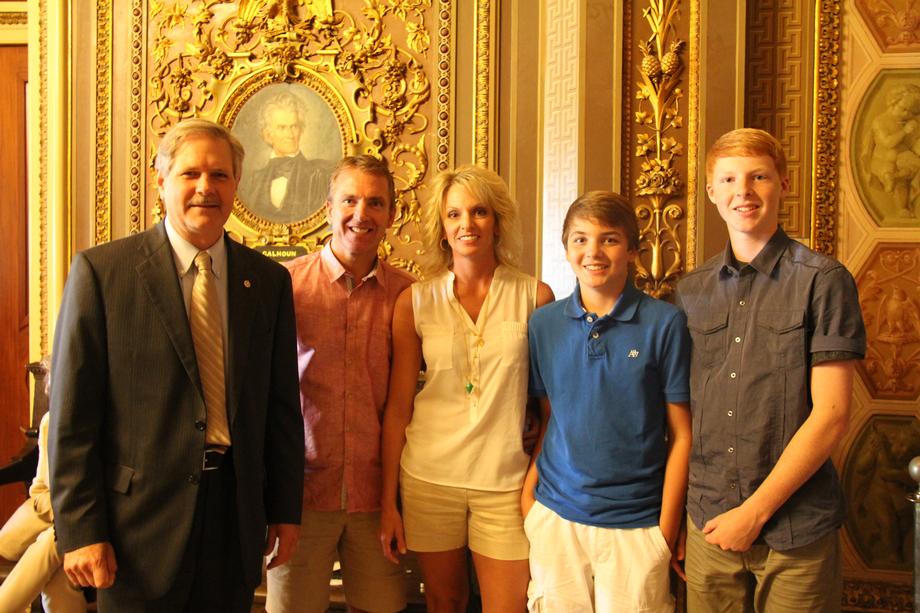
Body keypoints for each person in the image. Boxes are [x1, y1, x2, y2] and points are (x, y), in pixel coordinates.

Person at [48, 118, 305, 612]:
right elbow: (73, 420)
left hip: (233, 519)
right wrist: (80, 529)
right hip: (135, 528)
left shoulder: (267, 282)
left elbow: (280, 409)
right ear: (161, 182)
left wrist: (284, 511)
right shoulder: (102, 273)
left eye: (220, 175)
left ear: (236, 185)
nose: (205, 188)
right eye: (190, 174)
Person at [675, 128, 867, 612]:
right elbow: (678, 416)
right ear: (711, 192)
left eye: (758, 176)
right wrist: (680, 516)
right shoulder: (690, 291)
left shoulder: (824, 281)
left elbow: (832, 414)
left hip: (796, 528)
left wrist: (754, 513)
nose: (744, 191)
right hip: (708, 523)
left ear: (783, 183)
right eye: (729, 179)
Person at [380, 165, 554, 612]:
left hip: (504, 481)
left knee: (508, 606)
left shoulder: (535, 297)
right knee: (444, 601)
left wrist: (533, 481)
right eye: (454, 214)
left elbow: (550, 410)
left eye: (478, 212)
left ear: (497, 220)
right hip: (428, 477)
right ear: (441, 226)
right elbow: (398, 407)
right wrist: (388, 502)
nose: (466, 224)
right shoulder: (414, 302)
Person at [522, 191, 691, 612]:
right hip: (556, 519)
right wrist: (530, 504)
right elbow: (549, 419)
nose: (593, 252)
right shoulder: (543, 324)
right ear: (566, 249)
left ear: (633, 250)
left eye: (609, 240)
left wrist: (664, 533)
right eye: (580, 239)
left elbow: (682, 434)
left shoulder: (665, 323)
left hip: (636, 526)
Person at [267, 155, 414, 613]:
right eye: (349, 200)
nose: (361, 214)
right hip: (301, 497)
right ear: (328, 208)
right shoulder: (285, 286)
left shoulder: (408, 294)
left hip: (377, 498)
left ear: (391, 215)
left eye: (375, 202)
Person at [0, 412, 86, 612]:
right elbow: (38, 490)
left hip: (85, 525)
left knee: (57, 540)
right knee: (60, 547)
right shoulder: (51, 421)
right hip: (49, 519)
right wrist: (68, 512)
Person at [239, 91, 336, 224]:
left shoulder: (319, 176)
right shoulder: (253, 181)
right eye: (282, 128)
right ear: (267, 134)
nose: (290, 134)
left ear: (301, 130)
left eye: (294, 126)